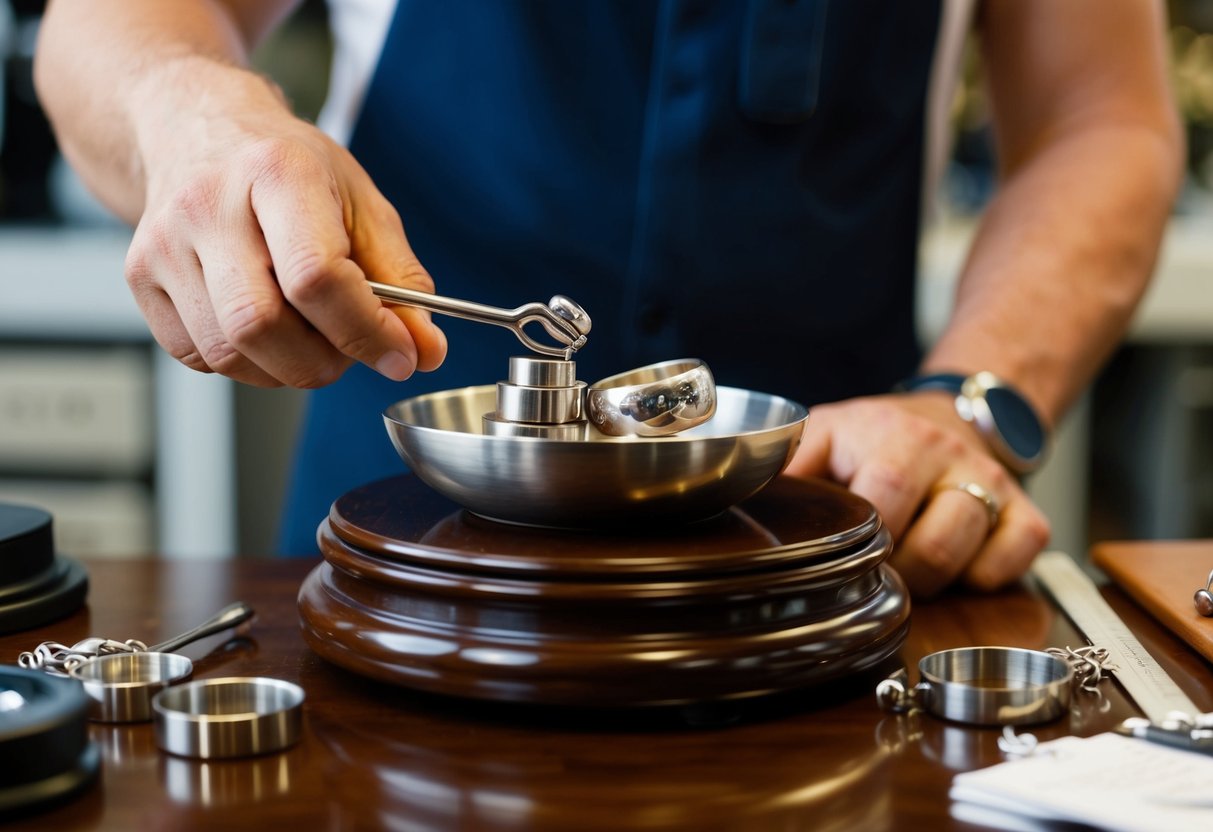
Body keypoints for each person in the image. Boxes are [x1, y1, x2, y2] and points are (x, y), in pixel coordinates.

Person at [34, 0, 1182, 596]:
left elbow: (1102, 119)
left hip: (828, 541)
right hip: (402, 545)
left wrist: (963, 407)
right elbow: (111, 27)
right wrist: (194, 120)